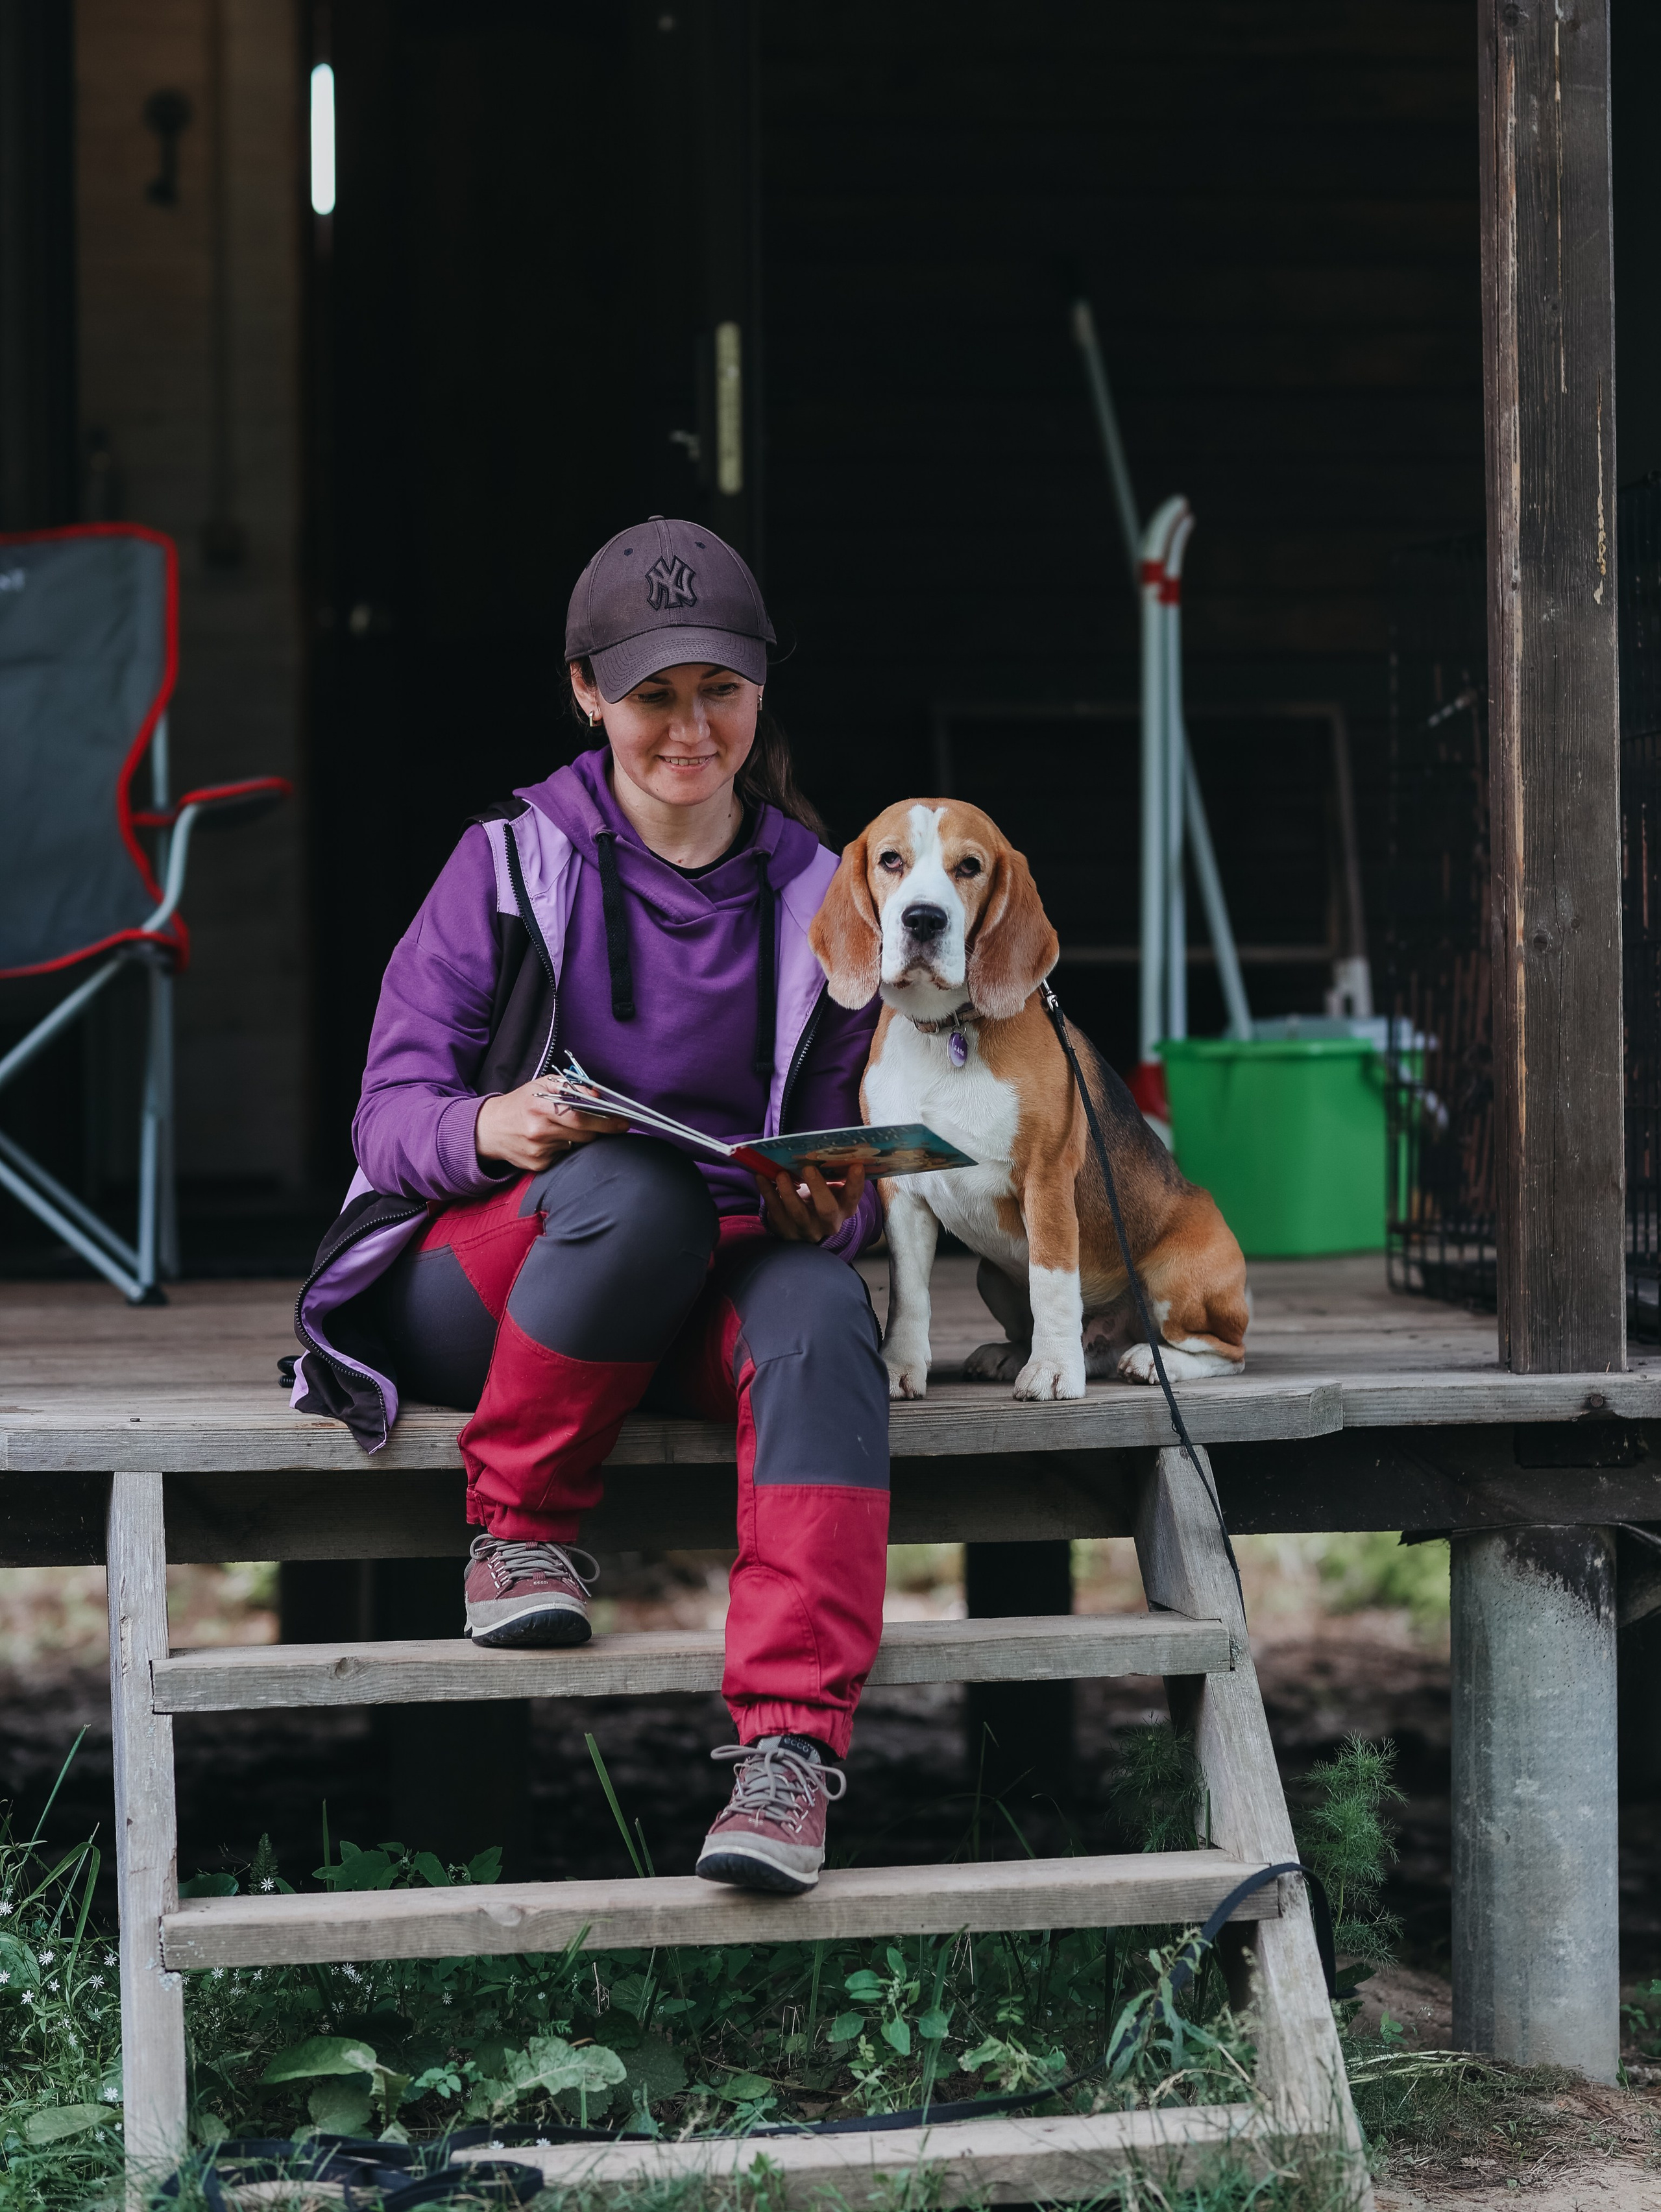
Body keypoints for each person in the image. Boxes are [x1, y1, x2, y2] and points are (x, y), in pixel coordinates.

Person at [291, 517, 888, 1895]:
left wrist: (830, 1213)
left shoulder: (821, 890)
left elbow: (847, 1160)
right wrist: (491, 1126)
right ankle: (517, 1532)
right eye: (653, 694)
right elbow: (388, 1118)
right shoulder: (507, 858)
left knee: (814, 1304)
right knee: (629, 1191)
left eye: (720, 691)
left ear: (759, 692)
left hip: (705, 1292)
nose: (691, 726)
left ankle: (788, 1754)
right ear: (585, 691)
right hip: (495, 1298)